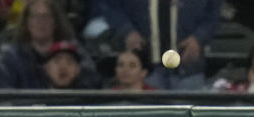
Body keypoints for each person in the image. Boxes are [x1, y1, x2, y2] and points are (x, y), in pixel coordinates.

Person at [92, 0, 220, 90]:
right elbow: (110, 6)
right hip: (145, 69)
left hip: (189, 69)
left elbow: (213, 15)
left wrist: (198, 38)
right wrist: (127, 31)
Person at [0, 0, 94, 89]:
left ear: (55, 22)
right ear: (26, 23)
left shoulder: (72, 49)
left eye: (46, 16)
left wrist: (75, 76)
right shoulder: (10, 56)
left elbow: (93, 82)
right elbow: (3, 95)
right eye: (35, 16)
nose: (41, 22)